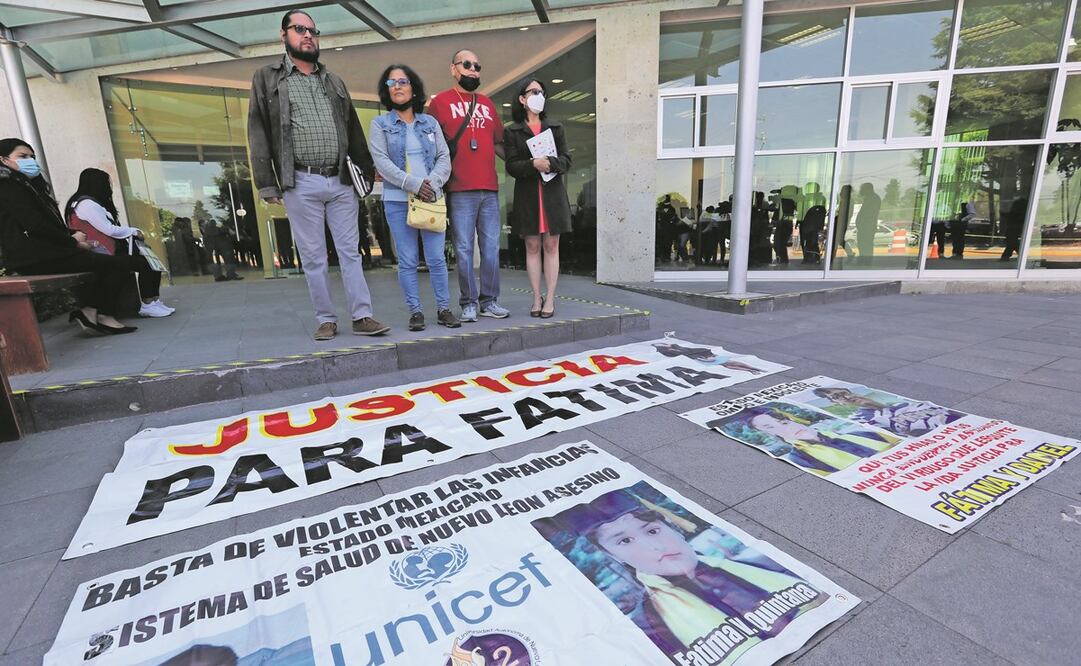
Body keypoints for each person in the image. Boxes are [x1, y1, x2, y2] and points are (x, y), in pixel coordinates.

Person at [247, 9, 388, 340]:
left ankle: (362, 316)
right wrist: (267, 182)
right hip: (300, 180)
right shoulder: (267, 77)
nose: (308, 35)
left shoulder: (333, 81)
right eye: (300, 29)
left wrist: (366, 172)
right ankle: (326, 318)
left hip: (340, 180)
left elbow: (353, 128)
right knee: (313, 257)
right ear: (284, 35)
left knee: (351, 252)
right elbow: (258, 130)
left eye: (313, 30)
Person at [559, 490, 821, 657]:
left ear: (673, 527)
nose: (655, 546)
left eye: (652, 530)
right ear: (613, 557)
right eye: (624, 541)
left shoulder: (764, 564)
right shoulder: (649, 626)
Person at [0, 138, 136, 335]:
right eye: (22, 156)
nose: (31, 161)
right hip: (34, 257)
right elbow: (35, 225)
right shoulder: (8, 186)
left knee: (108, 264)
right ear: (3, 160)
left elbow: (47, 225)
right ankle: (100, 314)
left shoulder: (27, 185)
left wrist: (72, 235)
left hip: (45, 253)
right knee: (117, 264)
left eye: (32, 157)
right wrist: (72, 241)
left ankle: (93, 312)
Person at [368, 64, 459, 331]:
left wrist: (433, 183)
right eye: (391, 82)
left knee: (436, 258)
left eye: (403, 81)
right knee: (407, 259)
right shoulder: (380, 124)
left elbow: (444, 156)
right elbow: (382, 163)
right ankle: (415, 312)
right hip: (398, 200)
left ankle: (444, 309)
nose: (397, 86)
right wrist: (414, 184)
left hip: (431, 197)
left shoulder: (429, 122)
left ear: (413, 87)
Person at [428, 48, 510, 322]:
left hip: (489, 187)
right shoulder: (439, 103)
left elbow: (499, 143)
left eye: (477, 66)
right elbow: (432, 147)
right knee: (463, 249)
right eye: (467, 65)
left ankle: (489, 300)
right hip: (459, 188)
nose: (473, 70)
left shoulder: (487, 103)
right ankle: (469, 302)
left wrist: (522, 166)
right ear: (454, 69)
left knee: (491, 248)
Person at [64, 167, 175, 317]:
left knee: (150, 262)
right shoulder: (87, 204)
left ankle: (153, 301)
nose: (109, 188)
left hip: (101, 251)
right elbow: (109, 229)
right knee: (146, 263)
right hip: (100, 252)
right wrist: (134, 231)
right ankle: (148, 304)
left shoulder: (83, 202)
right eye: (106, 183)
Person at [504, 77, 573, 319]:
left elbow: (566, 161)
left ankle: (551, 298)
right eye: (533, 92)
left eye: (542, 92)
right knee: (532, 246)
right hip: (528, 196)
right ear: (522, 99)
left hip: (552, 195)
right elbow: (511, 166)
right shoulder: (512, 130)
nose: (538, 96)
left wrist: (549, 163)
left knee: (551, 245)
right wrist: (533, 164)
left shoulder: (555, 128)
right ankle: (536, 297)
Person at [740, 405, 896, 475]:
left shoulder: (858, 434)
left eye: (784, 422)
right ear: (769, 434)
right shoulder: (800, 458)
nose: (787, 428)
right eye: (771, 427)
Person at [811, 387, 962, 437]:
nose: (847, 397)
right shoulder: (862, 420)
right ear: (836, 403)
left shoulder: (901, 404)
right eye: (837, 397)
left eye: (845, 392)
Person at [652, 342, 765, 374]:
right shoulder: (669, 353)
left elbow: (693, 350)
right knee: (726, 365)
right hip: (699, 359)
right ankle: (750, 370)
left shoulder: (676, 346)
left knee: (730, 362)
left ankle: (754, 368)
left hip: (704, 355)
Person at [855, 182, 880, 265]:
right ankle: (864, 260)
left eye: (862, 189)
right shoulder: (869, 198)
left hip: (867, 227)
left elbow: (868, 214)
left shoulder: (873, 199)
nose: (861, 190)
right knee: (862, 244)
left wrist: (862, 223)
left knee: (866, 244)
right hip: (864, 227)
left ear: (867, 189)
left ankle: (865, 261)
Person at [1000, 197, 1026, 261]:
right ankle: (1020, 253)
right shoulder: (1017, 212)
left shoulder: (1018, 212)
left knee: (1012, 241)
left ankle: (1006, 256)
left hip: (1014, 227)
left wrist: (1005, 215)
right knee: (1012, 241)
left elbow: (1012, 217)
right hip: (1014, 227)